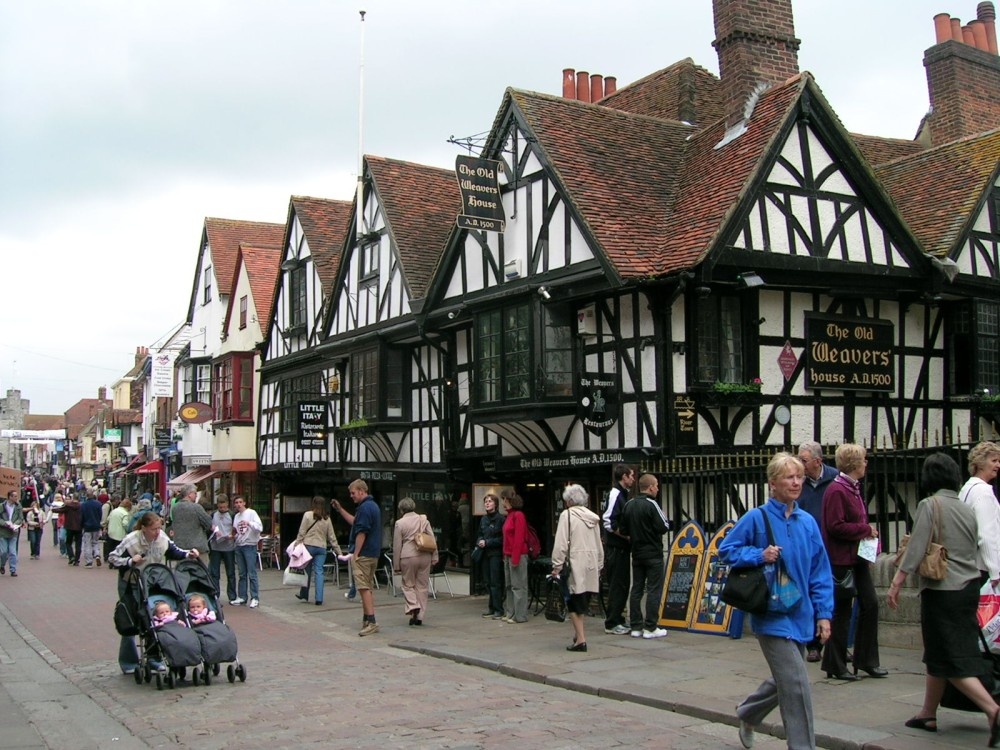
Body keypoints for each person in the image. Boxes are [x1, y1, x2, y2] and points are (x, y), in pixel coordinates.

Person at [719, 452, 834, 750]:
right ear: (773, 483)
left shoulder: (807, 522)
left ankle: (748, 712)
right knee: (796, 684)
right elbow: (726, 550)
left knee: (785, 678)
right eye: (789, 477)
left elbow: (820, 571)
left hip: (801, 612)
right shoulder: (756, 518)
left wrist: (824, 614)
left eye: (799, 477)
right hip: (770, 613)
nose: (796, 482)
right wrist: (759, 554)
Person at [888, 452, 1000, 746]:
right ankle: (928, 713)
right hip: (969, 587)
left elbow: (918, 547)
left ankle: (993, 711)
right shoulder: (965, 508)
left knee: (950, 658)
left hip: (941, 591)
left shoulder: (930, 505)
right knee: (939, 653)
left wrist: (897, 581)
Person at [820, 443, 885, 680]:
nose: (866, 463)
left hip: (856, 558)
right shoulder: (837, 490)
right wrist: (864, 529)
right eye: (864, 459)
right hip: (841, 560)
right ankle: (835, 664)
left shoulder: (852, 488)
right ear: (854, 463)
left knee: (870, 604)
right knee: (842, 612)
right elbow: (834, 526)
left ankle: (866, 659)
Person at [108, 512, 200, 673]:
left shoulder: (162, 538)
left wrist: (188, 554)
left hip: (152, 582)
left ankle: (153, 658)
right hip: (132, 583)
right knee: (130, 620)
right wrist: (130, 561)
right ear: (143, 528)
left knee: (152, 617)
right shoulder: (132, 539)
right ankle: (128, 662)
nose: (157, 532)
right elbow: (112, 558)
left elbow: (174, 550)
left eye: (159, 528)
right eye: (153, 529)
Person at [551, 484, 604, 652]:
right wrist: (600, 564)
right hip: (590, 563)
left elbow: (561, 544)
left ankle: (581, 640)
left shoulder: (567, 516)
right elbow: (599, 543)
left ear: (569, 501)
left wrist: (556, 565)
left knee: (573, 602)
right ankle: (578, 634)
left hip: (574, 563)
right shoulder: (593, 518)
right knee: (582, 601)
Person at [620, 473, 671, 639]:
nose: (657, 488)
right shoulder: (651, 505)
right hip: (653, 554)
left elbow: (623, 530)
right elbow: (664, 527)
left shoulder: (629, 505)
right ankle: (651, 627)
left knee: (636, 589)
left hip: (636, 553)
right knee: (654, 589)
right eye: (656, 485)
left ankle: (636, 626)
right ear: (650, 487)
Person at [332, 479, 382, 636]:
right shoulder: (371, 506)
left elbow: (361, 532)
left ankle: (372, 621)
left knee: (363, 587)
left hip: (364, 553)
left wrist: (356, 554)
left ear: (362, 491)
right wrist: (341, 510)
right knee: (366, 587)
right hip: (372, 553)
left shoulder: (365, 508)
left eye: (353, 493)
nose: (351, 496)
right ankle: (367, 619)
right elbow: (355, 522)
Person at [958, 441, 1000, 588]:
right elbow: (986, 534)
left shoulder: (967, 488)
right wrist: (995, 572)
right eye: (994, 461)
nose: (998, 465)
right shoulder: (984, 492)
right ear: (981, 463)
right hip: (983, 568)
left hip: (967, 565)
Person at [392, 497, 437, 626]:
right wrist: (435, 556)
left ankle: (413, 605)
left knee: (408, 584)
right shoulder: (423, 520)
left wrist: (396, 565)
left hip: (408, 556)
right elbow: (432, 539)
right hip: (425, 555)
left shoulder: (399, 523)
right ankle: (419, 616)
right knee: (422, 586)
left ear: (401, 509)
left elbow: (397, 546)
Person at [602, 463, 635, 636]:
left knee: (622, 585)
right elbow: (608, 521)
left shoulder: (622, 494)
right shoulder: (615, 494)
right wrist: (625, 536)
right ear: (624, 477)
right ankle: (612, 622)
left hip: (620, 548)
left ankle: (618, 619)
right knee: (617, 585)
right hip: (616, 548)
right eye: (631, 476)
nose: (633, 479)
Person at [293, 496, 342, 606]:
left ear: (313, 504)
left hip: (308, 546)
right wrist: (339, 552)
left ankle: (304, 594)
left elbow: (302, 532)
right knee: (319, 572)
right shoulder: (327, 519)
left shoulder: (307, 515)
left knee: (307, 571)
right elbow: (332, 537)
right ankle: (319, 598)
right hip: (321, 547)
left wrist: (296, 545)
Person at [500, 489, 529, 624]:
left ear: (509, 500)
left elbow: (519, 538)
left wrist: (515, 558)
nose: (503, 503)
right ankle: (510, 612)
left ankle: (520, 615)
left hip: (517, 555)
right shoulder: (509, 516)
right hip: (508, 555)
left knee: (518, 586)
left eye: (504, 499)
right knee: (509, 585)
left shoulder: (518, 516)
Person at [475, 493, 505, 619]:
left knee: (495, 582)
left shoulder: (501, 519)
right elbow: (480, 533)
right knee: (487, 581)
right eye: (486, 501)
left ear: (495, 504)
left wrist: (488, 542)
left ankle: (498, 609)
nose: (487, 503)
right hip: (485, 554)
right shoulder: (483, 519)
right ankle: (491, 607)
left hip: (495, 554)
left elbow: (502, 539)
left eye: (490, 501)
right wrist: (480, 540)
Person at [232, 495, 263, 608]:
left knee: (252, 573)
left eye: (240, 502)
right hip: (239, 545)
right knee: (242, 573)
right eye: (236, 502)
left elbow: (259, 527)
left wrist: (249, 523)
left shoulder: (252, 513)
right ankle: (242, 596)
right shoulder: (236, 516)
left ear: (244, 503)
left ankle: (255, 597)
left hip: (250, 545)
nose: (239, 504)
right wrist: (233, 537)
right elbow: (236, 531)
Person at [168, 484, 213, 556]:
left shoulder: (175, 508)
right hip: (197, 548)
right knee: (200, 567)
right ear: (189, 494)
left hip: (180, 547)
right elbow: (208, 524)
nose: (196, 495)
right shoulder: (196, 507)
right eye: (195, 493)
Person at [209, 496, 237, 604]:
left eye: (224, 507)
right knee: (214, 573)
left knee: (230, 572)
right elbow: (209, 526)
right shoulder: (213, 515)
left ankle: (232, 596)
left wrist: (232, 535)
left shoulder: (231, 515)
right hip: (216, 546)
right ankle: (216, 595)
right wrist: (214, 531)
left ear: (227, 505)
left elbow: (235, 529)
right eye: (220, 507)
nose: (222, 509)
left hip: (229, 547)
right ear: (217, 506)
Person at [54, 493, 82, 566]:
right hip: (79, 527)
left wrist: (53, 509)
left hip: (69, 526)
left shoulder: (68, 506)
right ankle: (77, 560)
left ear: (72, 498)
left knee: (68, 542)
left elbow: (60, 510)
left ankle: (71, 556)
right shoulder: (81, 506)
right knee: (78, 544)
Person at [0, 491, 24, 576]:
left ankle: (13, 570)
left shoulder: (18, 506)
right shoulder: (2, 506)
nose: (16, 498)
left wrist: (15, 524)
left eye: (17, 496)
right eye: (14, 496)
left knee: (13, 552)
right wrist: (5, 523)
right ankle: (2, 565)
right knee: (3, 552)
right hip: (3, 532)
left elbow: (21, 518)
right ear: (10, 497)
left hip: (13, 532)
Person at [80, 490, 103, 567]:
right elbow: (100, 515)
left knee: (87, 544)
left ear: (86, 496)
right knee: (95, 542)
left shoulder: (83, 505)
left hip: (87, 527)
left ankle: (89, 562)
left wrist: (82, 525)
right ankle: (97, 554)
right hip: (96, 526)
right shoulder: (98, 504)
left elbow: (82, 516)